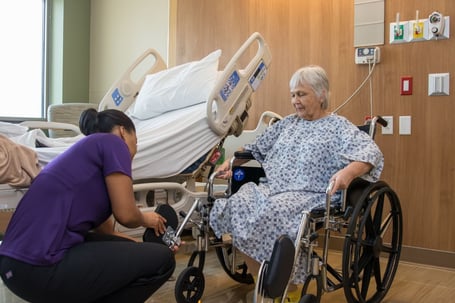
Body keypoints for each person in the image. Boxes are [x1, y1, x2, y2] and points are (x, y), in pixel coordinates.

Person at [209, 65, 384, 296]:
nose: (295, 100)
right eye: (292, 95)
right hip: (272, 188)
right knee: (236, 204)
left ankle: (287, 291)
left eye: (301, 94)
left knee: (274, 212)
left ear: (321, 94)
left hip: (310, 194)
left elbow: (370, 153)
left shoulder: (338, 126)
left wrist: (348, 173)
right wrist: (230, 162)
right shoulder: (287, 124)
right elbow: (253, 148)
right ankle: (264, 287)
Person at [0, 108, 176, 303]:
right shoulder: (114, 143)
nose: (136, 148)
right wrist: (146, 219)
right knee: (164, 260)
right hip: (39, 265)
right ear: (123, 131)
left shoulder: (84, 159)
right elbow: (126, 215)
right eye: (137, 141)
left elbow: (107, 234)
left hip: (15, 266)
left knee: (142, 252)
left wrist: (139, 248)